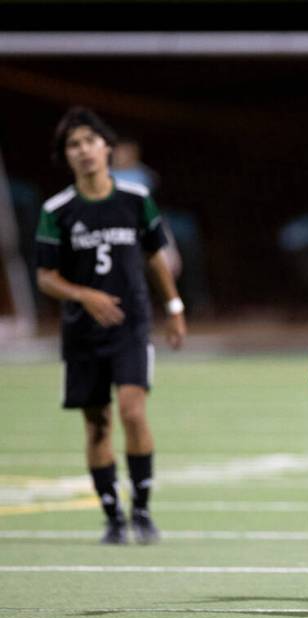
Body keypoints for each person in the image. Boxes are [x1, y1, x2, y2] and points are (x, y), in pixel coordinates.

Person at [34, 107, 186, 545]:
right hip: (82, 331)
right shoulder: (57, 210)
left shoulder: (135, 198)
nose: (83, 151)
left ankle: (140, 510)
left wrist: (174, 306)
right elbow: (45, 276)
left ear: (106, 148)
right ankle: (112, 518)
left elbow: (157, 256)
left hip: (132, 326)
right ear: (67, 156)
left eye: (89, 142)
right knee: (97, 424)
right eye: (73, 145)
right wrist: (86, 295)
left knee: (133, 411)